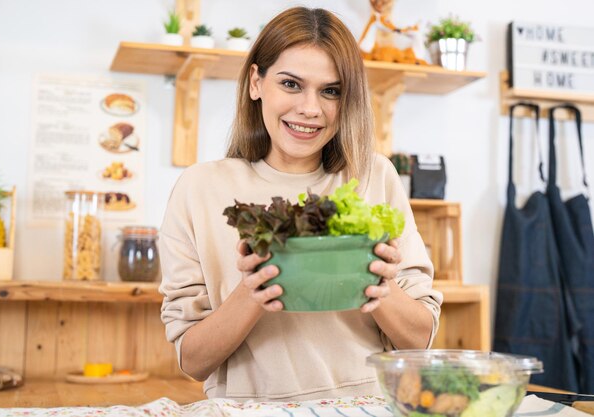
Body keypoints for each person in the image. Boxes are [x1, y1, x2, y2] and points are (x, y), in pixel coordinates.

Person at [159, 6, 443, 401]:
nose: (311, 108)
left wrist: (380, 286)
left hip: (365, 406)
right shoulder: (200, 188)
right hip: (248, 410)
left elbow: (420, 339)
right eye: (291, 84)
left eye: (331, 90)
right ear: (256, 82)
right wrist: (253, 291)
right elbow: (193, 361)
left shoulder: (374, 176)